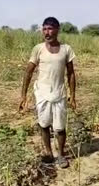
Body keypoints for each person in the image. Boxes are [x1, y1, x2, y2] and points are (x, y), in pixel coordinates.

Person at [19, 17, 76, 168]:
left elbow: (71, 73)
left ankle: (61, 155)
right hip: (42, 93)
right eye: (44, 29)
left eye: (50, 29)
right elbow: (28, 72)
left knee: (60, 127)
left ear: (57, 30)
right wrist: (23, 96)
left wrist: (73, 96)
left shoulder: (66, 49)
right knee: (44, 124)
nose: (47, 32)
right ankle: (49, 152)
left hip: (59, 93)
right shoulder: (38, 49)